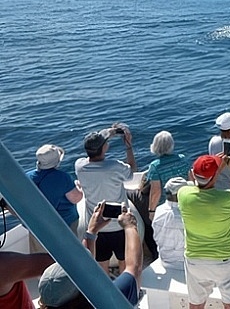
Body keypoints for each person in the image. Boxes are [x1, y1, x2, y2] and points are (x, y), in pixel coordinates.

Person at [38, 201, 144, 308]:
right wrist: (130, 226)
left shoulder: (54, 302)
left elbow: (86, 269)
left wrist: (92, 232)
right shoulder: (108, 300)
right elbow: (134, 269)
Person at [178, 154, 230, 309]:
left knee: (195, 305)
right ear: (215, 176)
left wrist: (216, 170)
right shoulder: (226, 199)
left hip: (195, 261)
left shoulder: (183, 195)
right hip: (225, 261)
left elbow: (200, 182)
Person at [74, 124, 136, 274]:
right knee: (124, 261)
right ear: (104, 148)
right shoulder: (115, 167)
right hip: (119, 224)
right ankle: (123, 290)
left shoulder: (79, 166)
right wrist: (128, 146)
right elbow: (132, 170)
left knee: (101, 263)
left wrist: (111, 132)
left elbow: (95, 147)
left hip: (97, 226)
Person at [26, 144, 83, 250]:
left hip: (37, 225)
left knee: (39, 259)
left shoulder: (27, 177)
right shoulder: (63, 177)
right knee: (68, 254)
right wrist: (78, 187)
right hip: (63, 223)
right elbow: (76, 198)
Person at [151, 177, 190, 270]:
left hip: (165, 260)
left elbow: (156, 238)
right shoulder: (189, 213)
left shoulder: (159, 210)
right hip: (186, 263)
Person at [147, 131, 190, 212]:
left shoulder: (155, 166)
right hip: (184, 200)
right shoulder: (183, 158)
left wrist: (151, 211)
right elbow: (191, 180)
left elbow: (156, 192)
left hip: (167, 204)